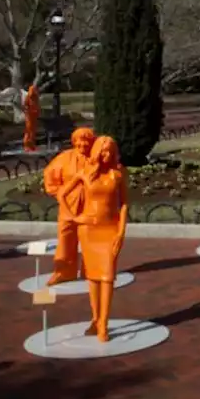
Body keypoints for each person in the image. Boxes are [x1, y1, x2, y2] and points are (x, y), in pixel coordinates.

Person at [57, 135, 129, 343]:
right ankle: (95, 319)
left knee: (107, 276)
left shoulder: (118, 174)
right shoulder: (85, 174)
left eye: (110, 151)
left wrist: (121, 232)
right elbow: (62, 194)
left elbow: (123, 204)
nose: (106, 155)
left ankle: (104, 324)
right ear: (97, 151)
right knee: (92, 277)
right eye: (103, 151)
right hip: (88, 229)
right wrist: (74, 216)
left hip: (109, 229)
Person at [42, 127, 96, 285]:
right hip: (68, 207)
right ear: (74, 142)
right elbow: (49, 176)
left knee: (90, 239)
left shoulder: (96, 159)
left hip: (90, 206)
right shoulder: (64, 158)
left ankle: (90, 270)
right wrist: (60, 193)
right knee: (65, 239)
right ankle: (63, 272)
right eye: (80, 142)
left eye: (87, 142)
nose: (83, 145)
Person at [22, 85, 40, 152]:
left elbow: (37, 105)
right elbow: (25, 106)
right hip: (29, 117)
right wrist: (28, 111)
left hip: (34, 116)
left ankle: (32, 146)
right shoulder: (28, 97)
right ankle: (26, 145)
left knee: (33, 132)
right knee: (28, 131)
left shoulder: (36, 98)